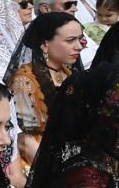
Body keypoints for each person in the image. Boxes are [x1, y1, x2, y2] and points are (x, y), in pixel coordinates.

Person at [5, 11, 85, 165]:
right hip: (42, 156)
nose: (79, 47)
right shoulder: (25, 81)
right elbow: (26, 139)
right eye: (70, 40)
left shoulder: (70, 74)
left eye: (79, 39)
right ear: (45, 44)